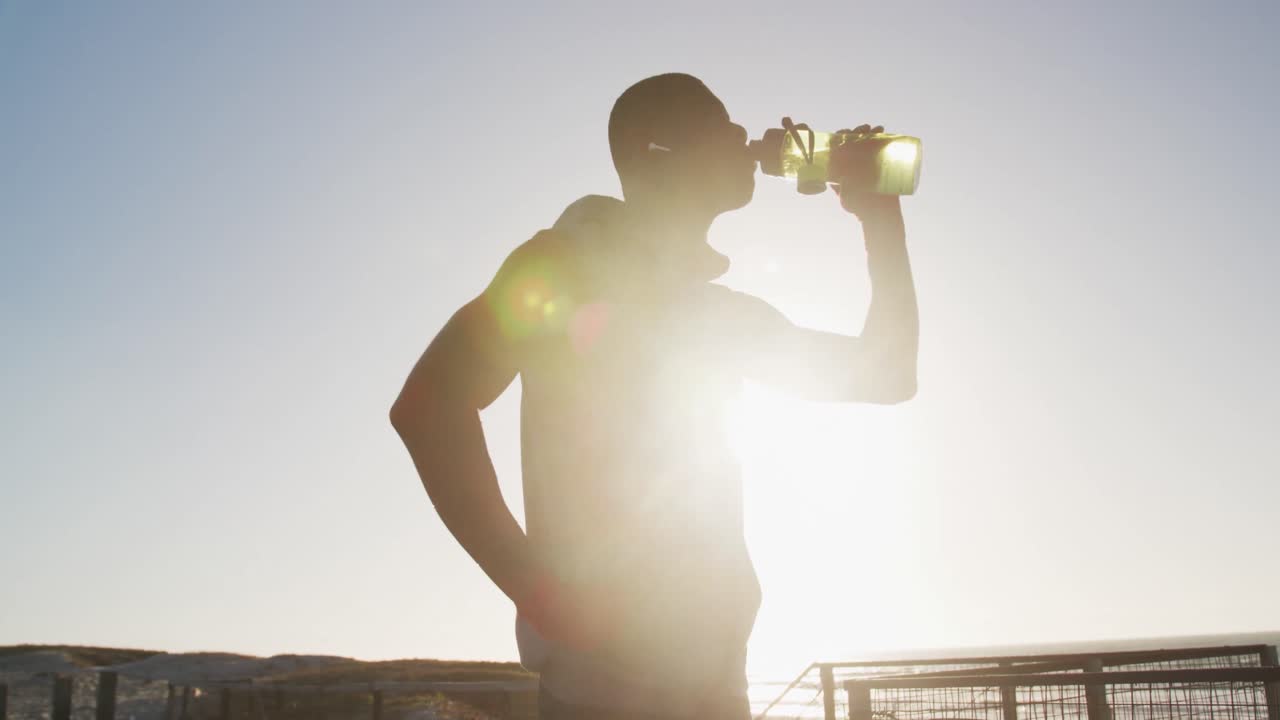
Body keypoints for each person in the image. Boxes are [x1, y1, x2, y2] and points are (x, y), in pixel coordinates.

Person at [390, 72, 919, 720]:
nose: (740, 137)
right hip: (603, 695)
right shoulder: (563, 265)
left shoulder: (714, 315)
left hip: (715, 693)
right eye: (717, 125)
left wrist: (878, 213)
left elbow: (886, 374)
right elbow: (428, 405)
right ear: (656, 151)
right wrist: (537, 591)